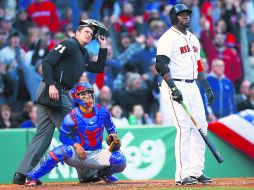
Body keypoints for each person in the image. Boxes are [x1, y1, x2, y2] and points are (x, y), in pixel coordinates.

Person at [13, 19, 109, 185]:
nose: (89, 34)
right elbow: (47, 62)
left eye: (91, 34)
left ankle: (21, 174)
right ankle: (87, 174)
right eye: (86, 31)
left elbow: (99, 68)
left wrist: (103, 46)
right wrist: (51, 86)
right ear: (76, 33)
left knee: (42, 136)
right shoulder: (70, 44)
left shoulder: (83, 53)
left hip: (55, 92)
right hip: (54, 90)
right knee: (78, 128)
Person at [155, 4, 215, 185]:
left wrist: (206, 87)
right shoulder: (167, 38)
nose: (186, 16)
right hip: (174, 84)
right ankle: (181, 175)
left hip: (192, 85)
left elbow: (199, 65)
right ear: (174, 17)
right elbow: (161, 65)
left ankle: (196, 171)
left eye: (187, 14)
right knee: (184, 128)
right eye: (181, 14)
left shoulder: (193, 38)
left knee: (201, 126)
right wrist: (173, 88)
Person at [24, 82, 126, 186]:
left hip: (96, 153)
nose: (87, 96)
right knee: (61, 151)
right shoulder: (71, 116)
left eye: (89, 93)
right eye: (83, 94)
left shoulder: (103, 112)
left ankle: (104, 174)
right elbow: (63, 137)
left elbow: (112, 130)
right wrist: (76, 146)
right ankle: (32, 177)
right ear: (76, 97)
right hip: (78, 154)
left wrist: (113, 137)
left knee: (120, 160)